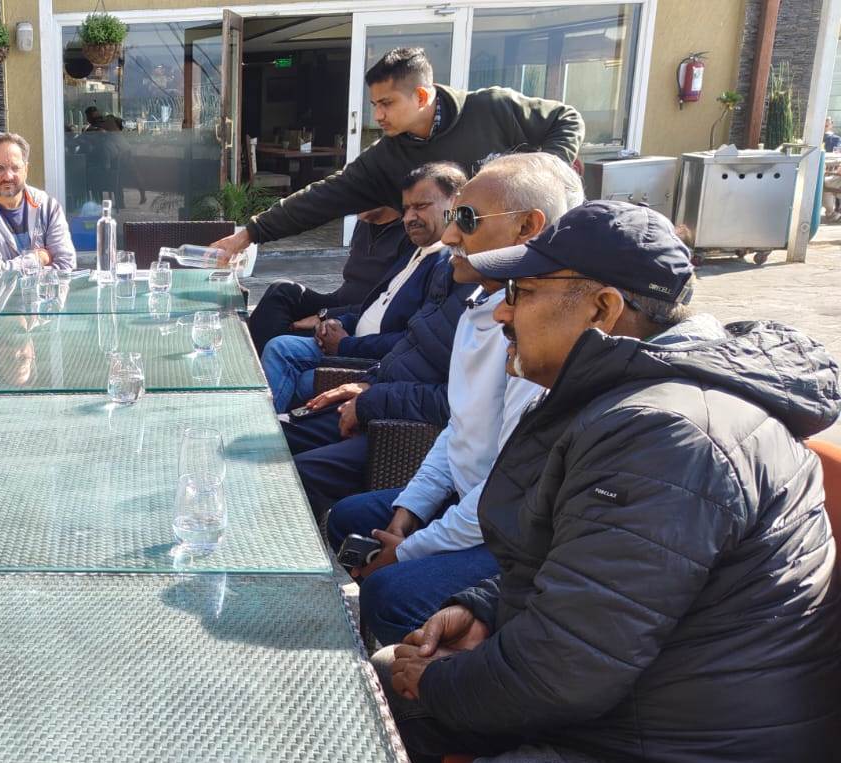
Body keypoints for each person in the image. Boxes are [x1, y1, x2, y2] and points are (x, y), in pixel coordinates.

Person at [381, 200, 841, 761]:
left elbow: (565, 668)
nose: (501, 313)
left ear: (603, 308)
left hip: (678, 741)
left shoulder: (665, 435)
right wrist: (486, 609)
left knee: (380, 696)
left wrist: (433, 683)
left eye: (521, 293)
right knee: (384, 677)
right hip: (642, 700)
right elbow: (603, 578)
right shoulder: (637, 401)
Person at [324, 153, 581, 645]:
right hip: (470, 500)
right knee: (352, 517)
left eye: (466, 218)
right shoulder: (480, 304)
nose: (449, 235)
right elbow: (458, 428)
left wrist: (408, 550)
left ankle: (421, 670)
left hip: (510, 528)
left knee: (391, 593)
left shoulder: (539, 336)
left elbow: (508, 491)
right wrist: (409, 511)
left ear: (527, 227)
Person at [208, 47, 583, 260]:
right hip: (453, 265)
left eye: (387, 103)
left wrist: (542, 179)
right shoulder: (385, 157)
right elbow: (323, 197)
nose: (378, 116)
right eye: (374, 104)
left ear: (421, 96)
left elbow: (567, 119)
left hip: (529, 249)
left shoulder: (492, 107)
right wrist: (250, 233)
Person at [260, 164, 460, 414]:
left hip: (371, 359)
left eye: (420, 206)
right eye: (407, 208)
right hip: (352, 333)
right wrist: (338, 321)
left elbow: (411, 341)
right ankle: (248, 388)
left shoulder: (447, 264)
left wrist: (345, 344)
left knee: (300, 377)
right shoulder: (417, 250)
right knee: (279, 342)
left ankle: (266, 424)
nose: (409, 217)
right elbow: (378, 306)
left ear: (454, 203)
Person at [248, 206, 413, 350]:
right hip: (339, 302)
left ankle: (267, 364)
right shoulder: (364, 222)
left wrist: (326, 316)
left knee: (283, 341)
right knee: (282, 290)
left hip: (362, 320)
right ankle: (251, 360)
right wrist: (325, 313)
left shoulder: (410, 235)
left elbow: (391, 307)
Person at [0, 132, 76, 273]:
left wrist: (18, 273)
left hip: (45, 289)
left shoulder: (48, 207)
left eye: (15, 168)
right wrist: (38, 259)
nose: (8, 176)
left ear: (26, 170)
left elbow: (66, 265)